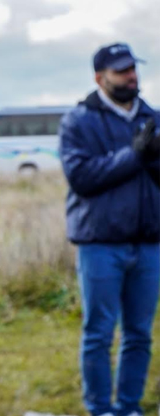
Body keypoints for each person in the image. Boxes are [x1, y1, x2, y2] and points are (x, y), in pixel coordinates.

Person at [59, 42, 160, 416]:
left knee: (139, 333)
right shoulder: (78, 121)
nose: (131, 76)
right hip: (100, 243)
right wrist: (133, 155)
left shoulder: (153, 118)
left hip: (149, 243)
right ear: (100, 78)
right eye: (122, 71)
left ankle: (129, 406)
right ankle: (100, 408)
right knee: (99, 332)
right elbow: (82, 177)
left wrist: (152, 159)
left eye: (133, 68)